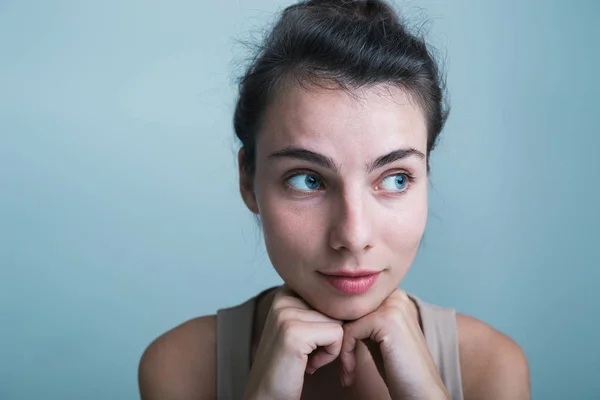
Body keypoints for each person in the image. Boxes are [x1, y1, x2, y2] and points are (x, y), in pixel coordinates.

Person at [138, 0, 530, 399]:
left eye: (395, 179)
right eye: (308, 180)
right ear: (248, 180)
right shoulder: (183, 366)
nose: (353, 235)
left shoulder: (489, 367)